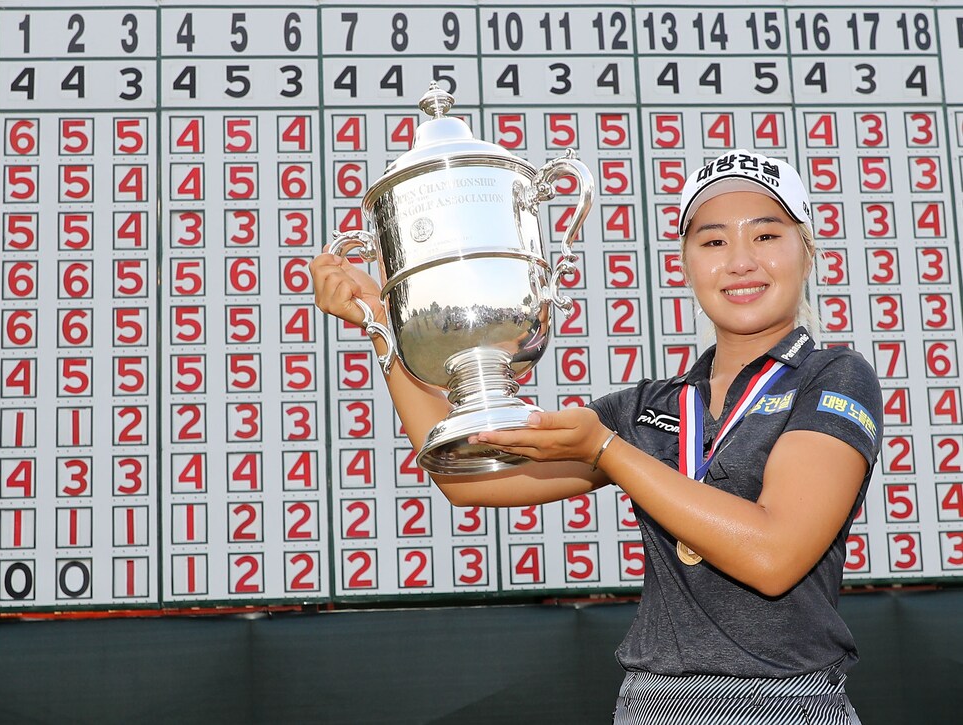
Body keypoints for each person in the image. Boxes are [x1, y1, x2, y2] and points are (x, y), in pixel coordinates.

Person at [310, 149, 882, 724]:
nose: (739, 262)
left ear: (806, 251)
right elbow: (467, 478)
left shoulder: (834, 376)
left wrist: (607, 451)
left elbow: (773, 555)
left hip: (791, 702)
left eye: (765, 236)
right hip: (654, 703)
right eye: (712, 242)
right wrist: (382, 322)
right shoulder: (647, 408)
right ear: (684, 262)